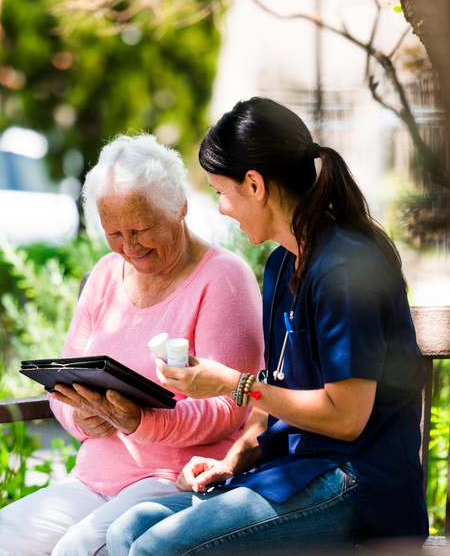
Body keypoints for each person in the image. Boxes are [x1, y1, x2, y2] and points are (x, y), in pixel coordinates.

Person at [106, 98, 428, 556]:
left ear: (254, 184)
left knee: (155, 550)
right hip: (296, 472)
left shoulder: (345, 267)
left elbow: (347, 416)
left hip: (357, 484)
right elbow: (277, 385)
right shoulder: (282, 264)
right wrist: (233, 459)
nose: (221, 208)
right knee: (127, 531)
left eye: (221, 191)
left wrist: (234, 385)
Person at [0, 134, 265, 556]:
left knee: (76, 552)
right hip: (92, 480)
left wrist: (140, 422)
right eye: (113, 232)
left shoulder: (224, 278)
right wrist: (84, 417)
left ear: (179, 208)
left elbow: (229, 408)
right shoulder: (104, 275)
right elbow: (62, 384)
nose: (129, 247)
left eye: (141, 229)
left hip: (174, 479)